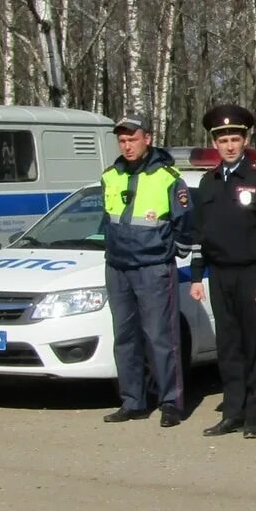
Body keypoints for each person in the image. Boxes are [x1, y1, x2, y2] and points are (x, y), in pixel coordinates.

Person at [188, 103, 256, 439]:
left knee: (252, 345)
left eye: (235, 138)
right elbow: (201, 234)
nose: (229, 145)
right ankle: (231, 412)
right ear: (215, 143)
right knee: (228, 346)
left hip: (252, 274)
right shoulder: (209, 181)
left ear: (245, 140)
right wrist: (197, 275)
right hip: (220, 275)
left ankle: (254, 416)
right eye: (223, 140)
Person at [97, 116, 191, 426]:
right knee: (125, 338)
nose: (127, 145)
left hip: (153, 268)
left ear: (147, 139)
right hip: (118, 266)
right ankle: (133, 401)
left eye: (132, 139)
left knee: (160, 338)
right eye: (122, 141)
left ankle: (170, 403)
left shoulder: (167, 177)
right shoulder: (110, 176)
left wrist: (168, 253)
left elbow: (184, 224)